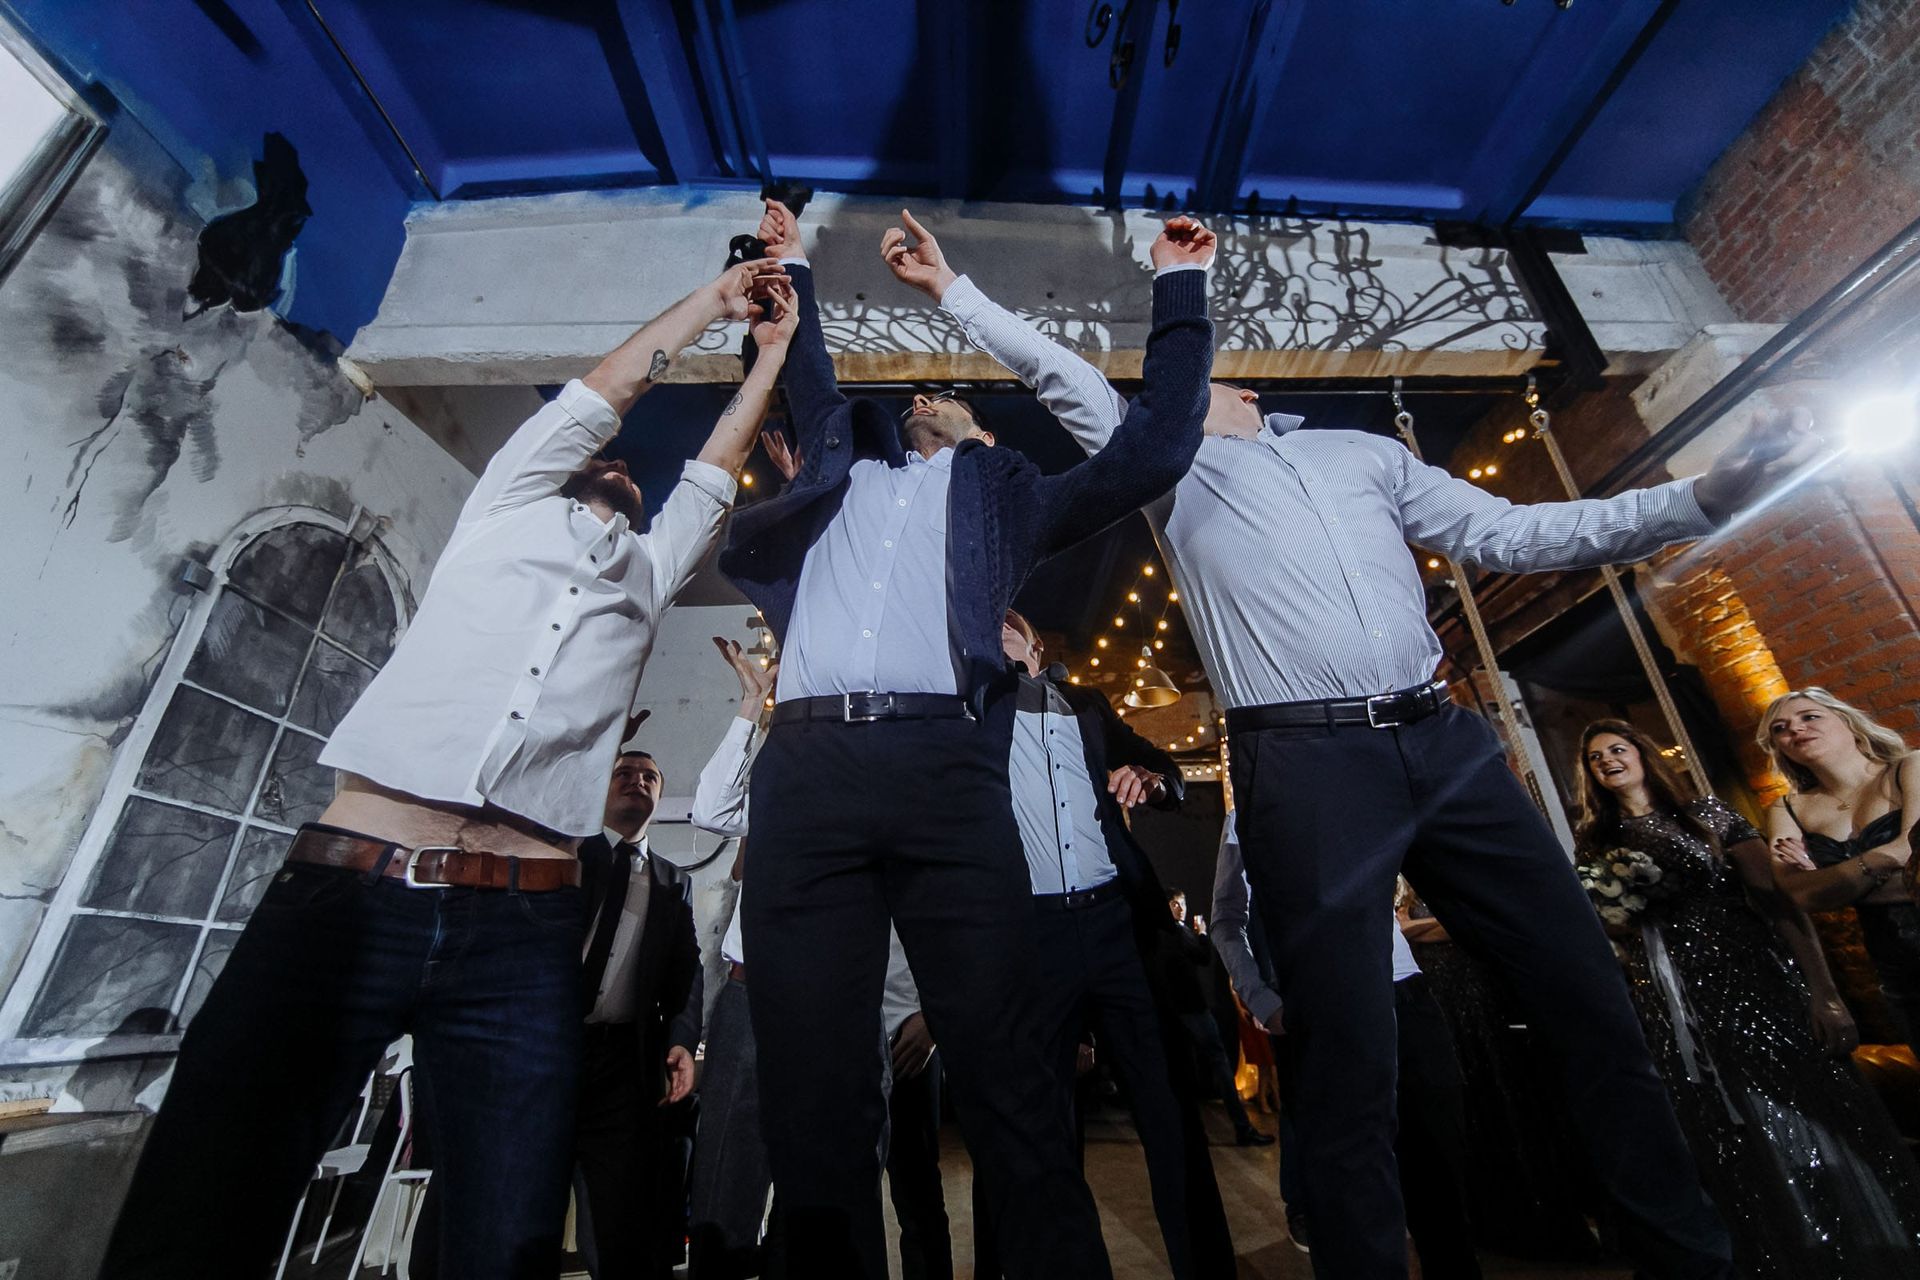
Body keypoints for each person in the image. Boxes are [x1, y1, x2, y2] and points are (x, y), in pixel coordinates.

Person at [900, 206, 1818, 1278]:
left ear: (1251, 393)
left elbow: (1518, 534)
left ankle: (1686, 1253)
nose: (1173, 399)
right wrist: (954, 291)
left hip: (1444, 741)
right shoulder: (1172, 465)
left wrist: (1709, 493)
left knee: (1588, 997)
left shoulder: (1361, 454)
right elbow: (1059, 373)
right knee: (1348, 1058)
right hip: (1307, 763)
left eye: (1201, 384)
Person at [99, 258, 794, 1280]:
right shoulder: (504, 509)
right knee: (207, 1194)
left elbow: (711, 470)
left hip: (521, 930)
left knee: (502, 1234)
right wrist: (710, 307)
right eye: (603, 460)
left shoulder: (648, 575)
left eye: (635, 473)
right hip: (352, 885)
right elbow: (603, 392)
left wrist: (768, 361)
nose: (624, 468)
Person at [714, 197, 1216, 1280]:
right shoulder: (833, 484)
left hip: (947, 774)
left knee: (1011, 1076)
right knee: (809, 1089)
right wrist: (787, 260)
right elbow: (806, 371)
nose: (925, 400)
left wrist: (1178, 289)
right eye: (916, 398)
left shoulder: (1000, 498)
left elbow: (1159, 444)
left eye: (947, 398)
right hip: (804, 774)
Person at [1577, 718, 1920, 1277]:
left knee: (1804, 1099)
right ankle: (1777, 1250)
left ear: (1642, 754)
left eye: (1618, 749)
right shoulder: (1596, 842)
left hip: (1752, 976)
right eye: (1595, 758)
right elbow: (1609, 930)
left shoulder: (1708, 814)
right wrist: (1619, 910)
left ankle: (1867, 1241)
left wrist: (1824, 992)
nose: (1608, 761)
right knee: (1722, 1118)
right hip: (1671, 997)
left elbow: (1779, 903)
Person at [973, 610, 1235, 1280]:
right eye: (989, 620)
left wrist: (1152, 782)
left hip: (1120, 926)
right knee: (1042, 1125)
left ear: (1037, 640)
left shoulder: (1088, 705)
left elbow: (1163, 769)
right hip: (1034, 937)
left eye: (1013, 620)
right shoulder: (977, 706)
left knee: (1169, 1112)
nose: (999, 626)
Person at [686, 637, 946, 1280]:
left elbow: (926, 914)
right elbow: (712, 808)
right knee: (726, 1192)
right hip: (754, 1001)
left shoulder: (896, 784)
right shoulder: (781, 772)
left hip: (848, 1013)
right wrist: (751, 708)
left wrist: (924, 1009)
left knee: (839, 1205)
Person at [411, 747, 708, 1280]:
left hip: (619, 1065)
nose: (636, 781)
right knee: (507, 1193)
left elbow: (686, 972)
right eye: (623, 772)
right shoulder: (561, 852)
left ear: (661, 796)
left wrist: (682, 1038)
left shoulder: (672, 881)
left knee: (620, 1218)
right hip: (539, 1047)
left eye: (649, 776)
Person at [1212, 814, 1481, 1278]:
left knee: (1439, 1175)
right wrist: (1262, 999)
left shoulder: (1363, 789)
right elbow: (1226, 921)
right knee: (1348, 1191)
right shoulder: (1246, 818)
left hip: (1405, 994)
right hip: (1320, 1010)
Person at [1760, 688, 1920, 1047]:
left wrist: (1831, 879)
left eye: (1809, 717)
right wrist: (1889, 858)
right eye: (1781, 729)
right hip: (1896, 965)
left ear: (1846, 721)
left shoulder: (1910, 767)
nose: (1795, 729)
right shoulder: (1787, 809)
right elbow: (1802, 895)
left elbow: (1916, 859)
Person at [1159, 890, 1270, 1148]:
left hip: (1185, 1011)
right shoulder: (1173, 933)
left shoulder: (1176, 932)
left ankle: (1200, 1132)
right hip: (1191, 1011)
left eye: (1183, 903)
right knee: (1212, 1064)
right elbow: (1202, 956)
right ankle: (1240, 1129)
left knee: (1197, 1068)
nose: (1180, 907)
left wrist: (1200, 935)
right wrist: (1201, 934)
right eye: (1175, 903)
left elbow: (1202, 957)